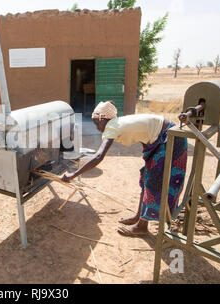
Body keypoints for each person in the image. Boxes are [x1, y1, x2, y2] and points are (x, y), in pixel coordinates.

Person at [61, 101, 188, 236]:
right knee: (146, 177)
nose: (97, 128)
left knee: (152, 182)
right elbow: (145, 134)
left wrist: (73, 175)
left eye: (97, 123)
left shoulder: (112, 126)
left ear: (103, 118)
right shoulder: (117, 123)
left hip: (171, 138)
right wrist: (149, 154)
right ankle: (139, 217)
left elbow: (98, 156)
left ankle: (142, 226)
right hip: (165, 137)